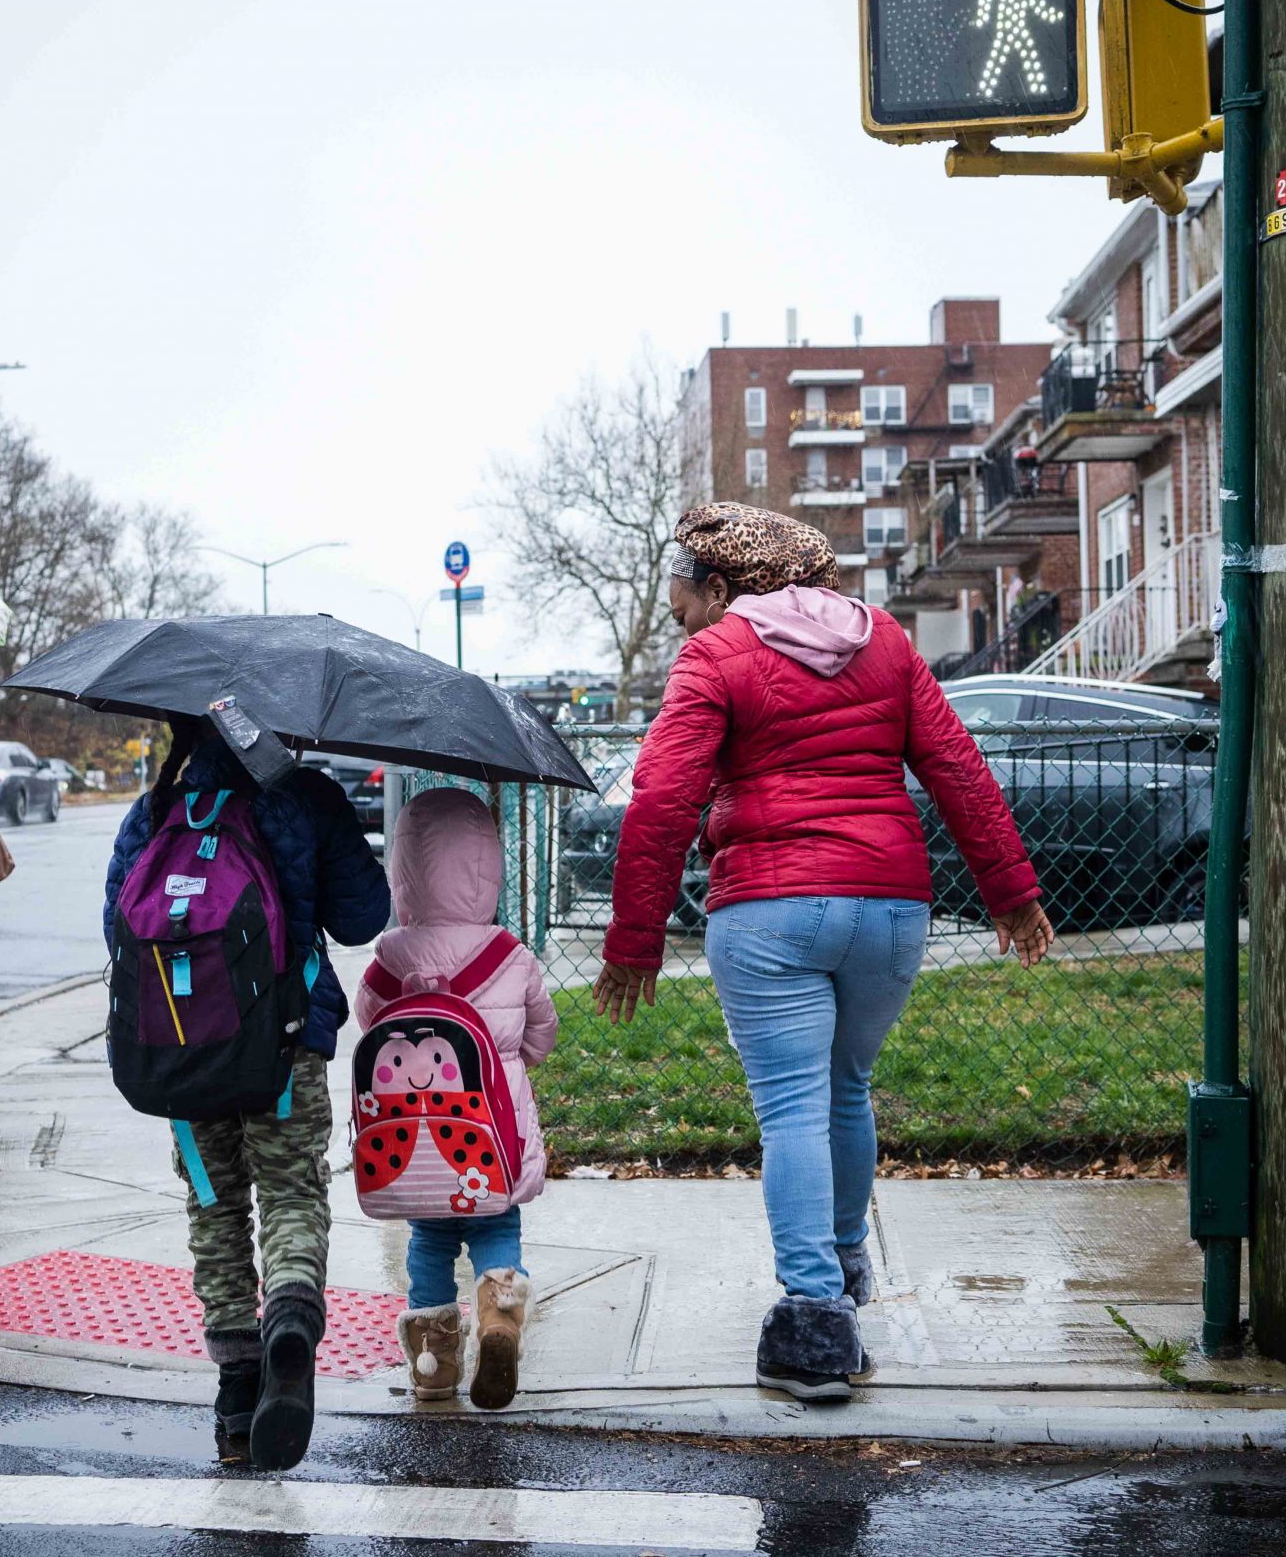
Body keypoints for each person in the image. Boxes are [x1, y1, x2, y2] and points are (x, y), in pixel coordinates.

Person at [597, 502, 1053, 1404]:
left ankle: (812, 1324)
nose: (681, 615)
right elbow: (957, 765)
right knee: (846, 1088)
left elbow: (659, 801)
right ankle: (844, 1282)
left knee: (795, 1108)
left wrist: (634, 941)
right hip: (890, 908)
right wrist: (1013, 893)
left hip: (769, 911)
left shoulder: (717, 655)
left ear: (724, 586)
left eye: (684, 596)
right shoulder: (884, 642)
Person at [103, 719, 389, 1470]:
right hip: (283, 1050)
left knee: (213, 1205)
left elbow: (117, 930)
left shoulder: (155, 809)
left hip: (182, 1058)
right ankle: (290, 1317)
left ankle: (236, 1392)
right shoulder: (304, 796)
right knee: (292, 1192)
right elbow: (365, 916)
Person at [356, 787, 556, 1411]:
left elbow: (369, 1027)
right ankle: (499, 1317)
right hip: (491, 1137)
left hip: (417, 1141)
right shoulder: (509, 953)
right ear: (489, 868)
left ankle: (434, 1364)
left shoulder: (391, 954)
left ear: (405, 874)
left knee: (431, 1243)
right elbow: (541, 1036)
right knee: (499, 1223)